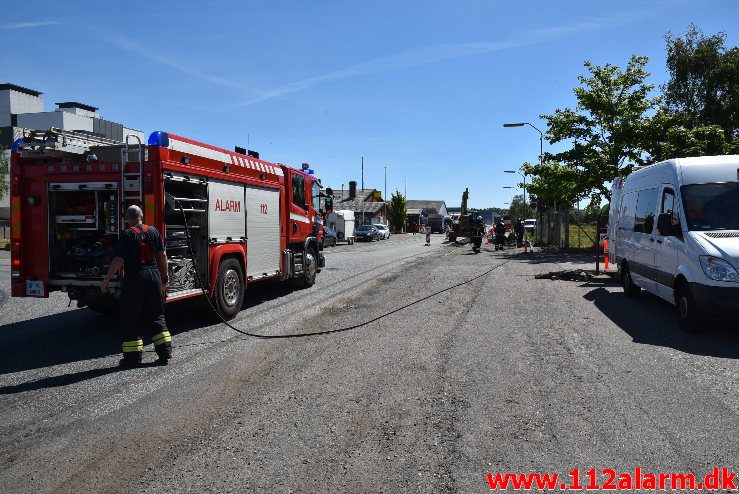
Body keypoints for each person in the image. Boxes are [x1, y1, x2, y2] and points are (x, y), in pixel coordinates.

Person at [101, 205, 172, 367]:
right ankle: (165, 352)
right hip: (154, 276)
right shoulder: (153, 231)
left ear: (127, 219)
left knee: (131, 317)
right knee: (157, 315)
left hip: (135, 277)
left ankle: (132, 358)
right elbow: (162, 255)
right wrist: (164, 277)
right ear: (142, 216)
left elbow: (119, 260)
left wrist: (106, 279)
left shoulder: (127, 234)